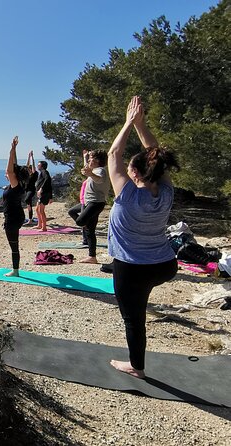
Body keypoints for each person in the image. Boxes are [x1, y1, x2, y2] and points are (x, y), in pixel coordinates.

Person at [107, 96, 180, 379]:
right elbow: (155, 154)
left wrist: (128, 123)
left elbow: (114, 154)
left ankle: (136, 367)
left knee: (134, 320)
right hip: (164, 265)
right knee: (139, 308)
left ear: (134, 172)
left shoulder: (126, 196)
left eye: (130, 169)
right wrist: (141, 125)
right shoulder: (166, 192)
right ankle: (136, 362)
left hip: (132, 269)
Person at [68, 149, 110, 263]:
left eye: (91, 159)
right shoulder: (94, 170)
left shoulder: (100, 171)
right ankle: (92, 257)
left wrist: (91, 173)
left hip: (95, 203)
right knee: (90, 230)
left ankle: (85, 228)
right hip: (91, 203)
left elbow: (99, 179)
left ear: (97, 160)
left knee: (80, 222)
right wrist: (86, 157)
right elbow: (86, 170)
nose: (89, 161)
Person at [2, 136, 30, 277]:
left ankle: (15, 271)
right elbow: (14, 167)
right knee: (14, 244)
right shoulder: (19, 184)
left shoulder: (15, 186)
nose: (6, 172)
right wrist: (13, 151)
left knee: (14, 246)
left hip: (13, 219)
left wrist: (12, 150)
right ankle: (15, 269)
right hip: (17, 216)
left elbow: (11, 170)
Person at [34, 159, 52, 232]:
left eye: (38, 165)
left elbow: (48, 180)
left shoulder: (44, 172)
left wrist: (41, 189)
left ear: (42, 166)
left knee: (41, 210)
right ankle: (39, 225)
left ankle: (44, 228)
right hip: (42, 194)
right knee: (37, 209)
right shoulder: (42, 172)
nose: (37, 166)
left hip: (44, 194)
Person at [24, 150, 39, 225]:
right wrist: (28, 157)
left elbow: (33, 166)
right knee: (28, 206)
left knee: (27, 200)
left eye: (30, 169)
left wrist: (32, 157)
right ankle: (30, 220)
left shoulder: (35, 174)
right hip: (26, 190)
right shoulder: (27, 175)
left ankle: (30, 219)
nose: (29, 170)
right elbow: (27, 166)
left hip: (31, 190)